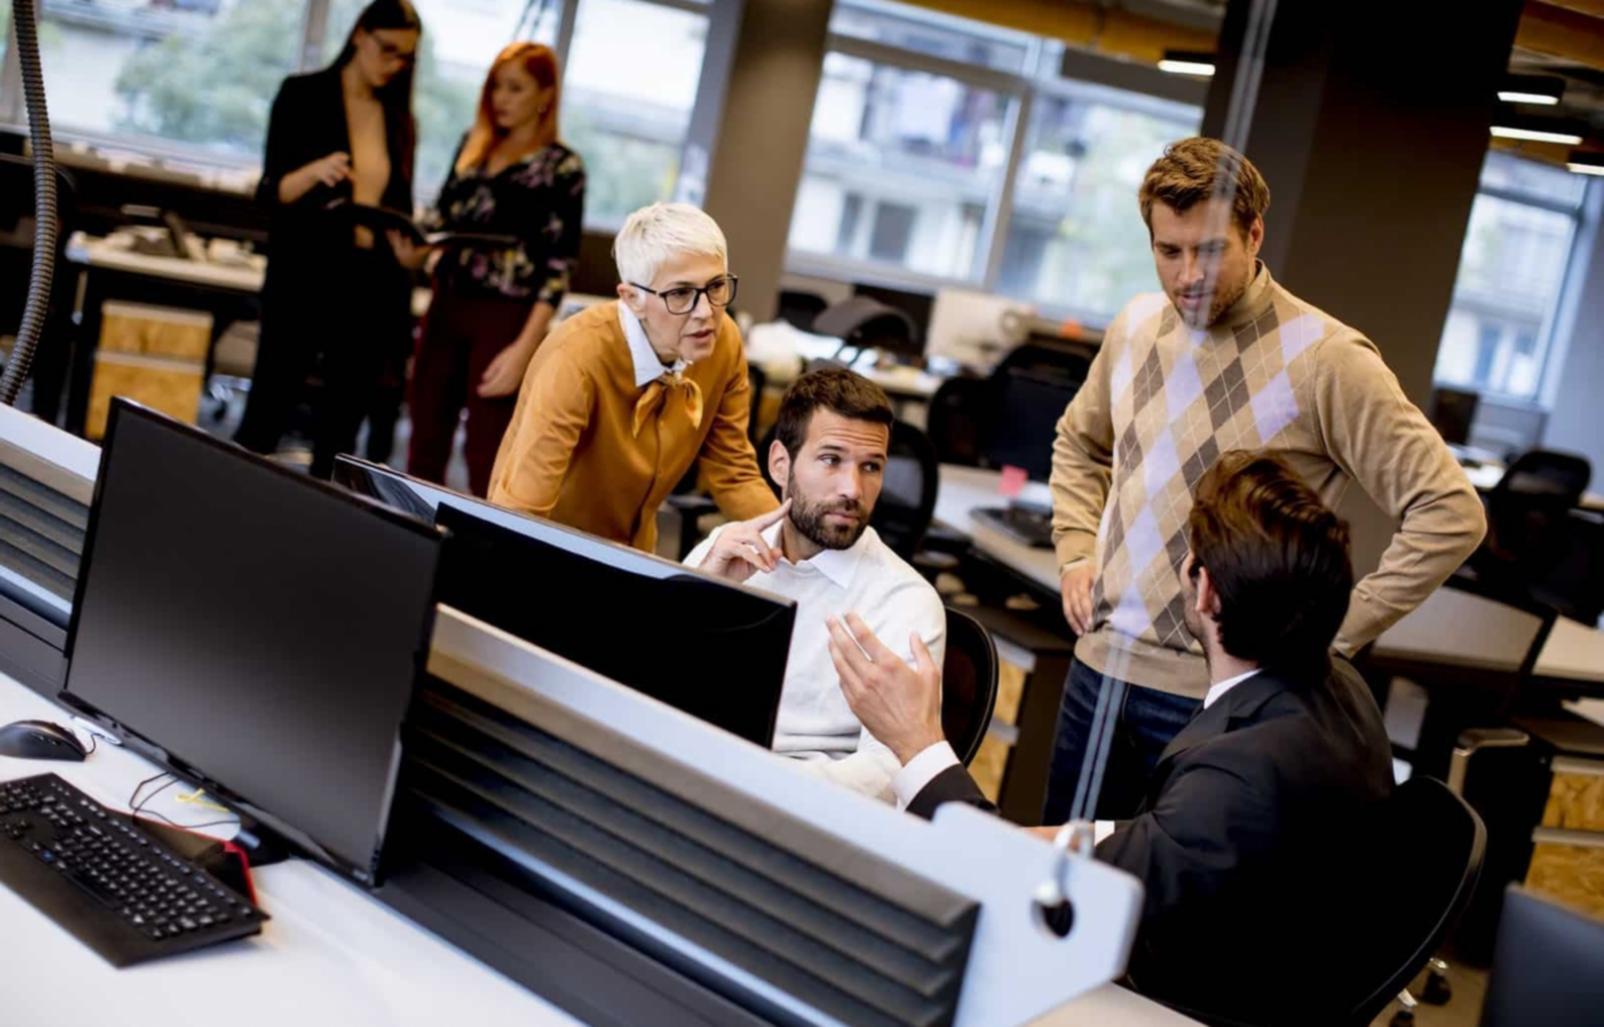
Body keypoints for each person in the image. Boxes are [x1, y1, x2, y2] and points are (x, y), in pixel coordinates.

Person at [828, 451, 1394, 1022]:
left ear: (1205, 594)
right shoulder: (1333, 688)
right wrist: (1058, 838)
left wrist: (917, 743)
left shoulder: (1238, 779)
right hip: (1263, 959)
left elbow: (1019, 888)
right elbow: (1171, 843)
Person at [1042, 137, 1485, 821]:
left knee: (1171, 918)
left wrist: (1330, 634)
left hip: (1218, 700)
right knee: (1056, 899)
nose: (1188, 274)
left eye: (1210, 250)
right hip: (1097, 674)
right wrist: (1075, 549)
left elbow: (1451, 511)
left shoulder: (1326, 359)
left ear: (1254, 234)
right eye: (1169, 251)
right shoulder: (1133, 329)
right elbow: (1079, 442)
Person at [686, 368, 945, 801]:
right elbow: (650, 687)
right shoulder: (726, 551)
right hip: (693, 780)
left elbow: (892, 767)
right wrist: (703, 592)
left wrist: (754, 782)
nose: (852, 489)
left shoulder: (907, 603)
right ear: (779, 465)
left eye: (871, 467)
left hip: (801, 812)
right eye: (831, 460)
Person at [487, 202, 776, 550]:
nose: (706, 313)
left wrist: (797, 550)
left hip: (635, 553)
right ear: (632, 299)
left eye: (716, 286)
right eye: (681, 293)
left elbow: (734, 472)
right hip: (548, 549)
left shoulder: (723, 341)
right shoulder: (576, 357)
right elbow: (522, 511)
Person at [238, 0, 422, 479]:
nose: (394, 64)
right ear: (360, 35)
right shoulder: (302, 95)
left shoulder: (400, 119)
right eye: (388, 50)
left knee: (341, 426)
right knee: (268, 407)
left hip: (368, 282)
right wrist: (314, 172)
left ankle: (317, 528)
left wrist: (409, 245)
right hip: (303, 273)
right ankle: (233, 504)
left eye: (406, 57)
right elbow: (270, 191)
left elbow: (397, 205)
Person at [394, 43, 585, 496]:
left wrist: (524, 349)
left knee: (488, 453)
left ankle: (479, 557)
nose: (501, 98)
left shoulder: (563, 168)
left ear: (545, 95)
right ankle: (415, 549)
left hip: (506, 319)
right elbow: (440, 222)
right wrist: (413, 254)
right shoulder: (472, 147)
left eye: (515, 88)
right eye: (496, 87)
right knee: (423, 442)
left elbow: (558, 269)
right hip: (446, 306)